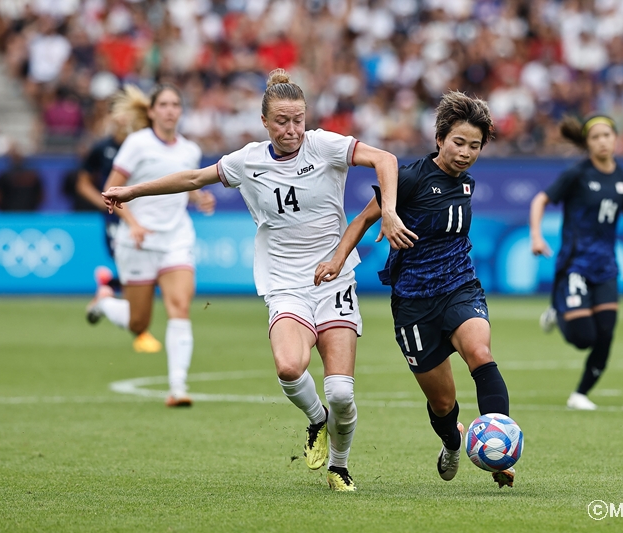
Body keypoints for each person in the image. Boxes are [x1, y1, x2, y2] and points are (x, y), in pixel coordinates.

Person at [102, 69, 414, 492]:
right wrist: (133, 191)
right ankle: (316, 420)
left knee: (341, 392)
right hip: (285, 282)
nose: (292, 129)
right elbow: (194, 178)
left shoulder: (324, 145)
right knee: (289, 367)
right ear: (264, 122)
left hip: (335, 281)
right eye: (282, 121)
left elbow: (386, 160)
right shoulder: (247, 160)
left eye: (298, 119)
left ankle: (339, 466)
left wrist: (390, 210)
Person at [314, 91, 515, 488]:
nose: (465, 153)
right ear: (439, 139)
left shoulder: (467, 185)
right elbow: (362, 220)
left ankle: (500, 451)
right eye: (458, 142)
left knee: (480, 352)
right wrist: (337, 260)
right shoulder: (410, 179)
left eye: (475, 146)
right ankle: (453, 442)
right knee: (442, 402)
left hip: (460, 287)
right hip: (413, 305)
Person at [86, 84, 216, 407]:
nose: (171, 109)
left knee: (179, 307)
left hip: (176, 238)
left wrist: (200, 197)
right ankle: (104, 302)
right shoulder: (136, 144)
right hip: (138, 240)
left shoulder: (190, 151)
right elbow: (109, 189)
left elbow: (183, 186)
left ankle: (178, 388)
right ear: (152, 111)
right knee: (138, 323)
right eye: (165, 104)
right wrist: (133, 224)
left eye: (176, 104)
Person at [529, 114, 623, 410]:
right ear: (588, 143)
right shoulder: (577, 174)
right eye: (596, 137)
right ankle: (558, 310)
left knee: (606, 333)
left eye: (607, 135)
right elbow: (540, 200)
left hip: (605, 266)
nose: (602, 141)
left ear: (616, 139)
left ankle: (580, 394)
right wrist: (537, 236)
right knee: (583, 338)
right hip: (575, 264)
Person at [79, 93, 161, 353]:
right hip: (118, 218)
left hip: (145, 217)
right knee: (136, 270)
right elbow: (83, 183)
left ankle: (107, 289)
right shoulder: (102, 147)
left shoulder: (145, 144)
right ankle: (140, 329)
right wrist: (104, 201)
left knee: (146, 273)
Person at [0, 145, 43, 211]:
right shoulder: (33, 175)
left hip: (13, 214)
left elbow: (40, 196)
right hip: (21, 214)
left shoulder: (5, 175)